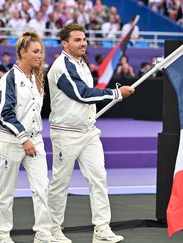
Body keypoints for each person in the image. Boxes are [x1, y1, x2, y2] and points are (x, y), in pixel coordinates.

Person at [47, 23, 134, 243]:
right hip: (65, 133)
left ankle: (102, 229)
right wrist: (116, 93)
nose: (83, 43)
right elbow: (82, 94)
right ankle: (53, 230)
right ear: (64, 43)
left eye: (84, 39)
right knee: (60, 182)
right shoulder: (61, 67)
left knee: (99, 178)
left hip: (89, 131)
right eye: (77, 40)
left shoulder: (82, 64)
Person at [0, 31, 54, 243]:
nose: (40, 55)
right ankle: (2, 234)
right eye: (35, 52)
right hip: (12, 141)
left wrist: (31, 138)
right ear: (22, 52)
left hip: (35, 141)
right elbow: (4, 114)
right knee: (7, 191)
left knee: (42, 188)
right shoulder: (9, 79)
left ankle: (44, 233)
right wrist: (23, 138)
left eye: (41, 52)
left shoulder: (38, 77)